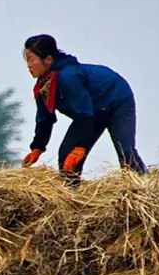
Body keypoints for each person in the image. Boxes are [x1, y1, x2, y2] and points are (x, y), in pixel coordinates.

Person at [21, 34, 147, 184]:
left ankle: (145, 188)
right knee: (67, 154)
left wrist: (81, 147)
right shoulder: (42, 87)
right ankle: (72, 195)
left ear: (48, 60)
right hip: (91, 112)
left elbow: (84, 115)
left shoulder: (68, 77)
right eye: (27, 60)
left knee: (126, 153)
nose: (28, 65)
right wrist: (38, 147)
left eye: (31, 60)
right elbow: (45, 119)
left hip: (116, 99)